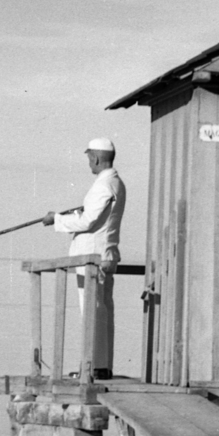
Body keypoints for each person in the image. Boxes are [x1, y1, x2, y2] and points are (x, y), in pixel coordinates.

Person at [44, 138, 126, 379]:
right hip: (103, 254)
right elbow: (95, 218)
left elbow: (88, 221)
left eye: (90, 158)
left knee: (91, 310)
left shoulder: (103, 185)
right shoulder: (115, 183)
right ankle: (100, 366)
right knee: (101, 310)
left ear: (97, 158)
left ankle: (94, 368)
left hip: (92, 258)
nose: (89, 162)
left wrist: (56, 219)